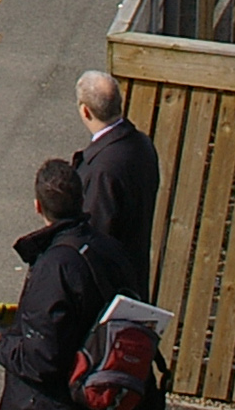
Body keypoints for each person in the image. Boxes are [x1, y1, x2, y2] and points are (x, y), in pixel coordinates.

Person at [0, 157, 128, 409]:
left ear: (38, 206)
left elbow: (40, 361)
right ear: (81, 200)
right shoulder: (109, 248)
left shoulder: (54, 267)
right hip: (101, 386)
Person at [73, 69, 163, 299]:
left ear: (85, 110)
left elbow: (94, 235)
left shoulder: (102, 167)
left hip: (108, 291)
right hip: (134, 277)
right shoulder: (142, 144)